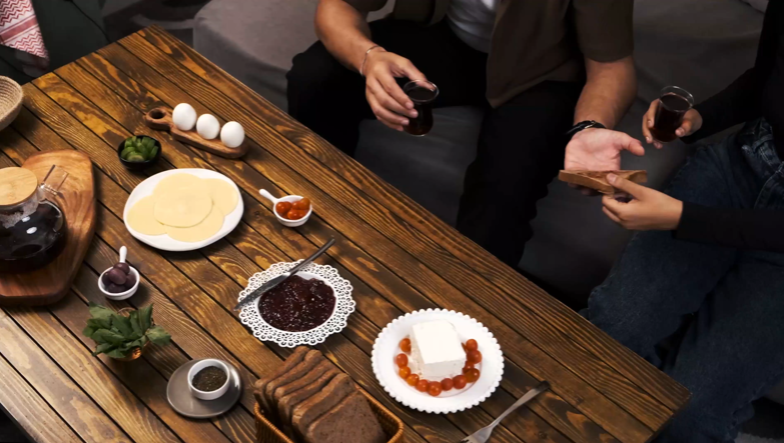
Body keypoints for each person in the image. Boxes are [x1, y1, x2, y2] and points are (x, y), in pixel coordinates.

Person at [286, 0, 644, 267]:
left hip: (542, 74)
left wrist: (589, 127)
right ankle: (316, 215)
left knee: (505, 186)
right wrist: (368, 58)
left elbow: (612, 68)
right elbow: (338, 7)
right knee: (315, 77)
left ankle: (469, 311)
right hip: (448, 39)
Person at [584, 2, 784, 441]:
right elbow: (767, 81)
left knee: (694, 414)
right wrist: (699, 119)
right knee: (610, 336)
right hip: (743, 166)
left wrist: (680, 218)